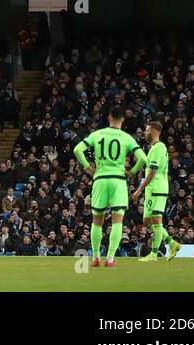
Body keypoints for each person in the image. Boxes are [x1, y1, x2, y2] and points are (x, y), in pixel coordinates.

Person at [73, 106, 147, 268]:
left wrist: (88, 168)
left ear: (109, 118)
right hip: (118, 180)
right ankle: (111, 259)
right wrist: (132, 172)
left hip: (100, 178)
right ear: (123, 119)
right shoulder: (126, 137)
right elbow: (142, 158)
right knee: (117, 221)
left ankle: (96, 258)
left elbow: (78, 150)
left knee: (97, 221)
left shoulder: (98, 134)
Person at [133, 119, 182, 261]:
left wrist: (138, 190)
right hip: (151, 189)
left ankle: (154, 254)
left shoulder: (159, 147)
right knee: (147, 221)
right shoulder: (154, 148)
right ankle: (172, 243)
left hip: (157, 188)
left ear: (154, 132)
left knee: (156, 220)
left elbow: (153, 171)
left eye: (147, 130)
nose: (145, 132)